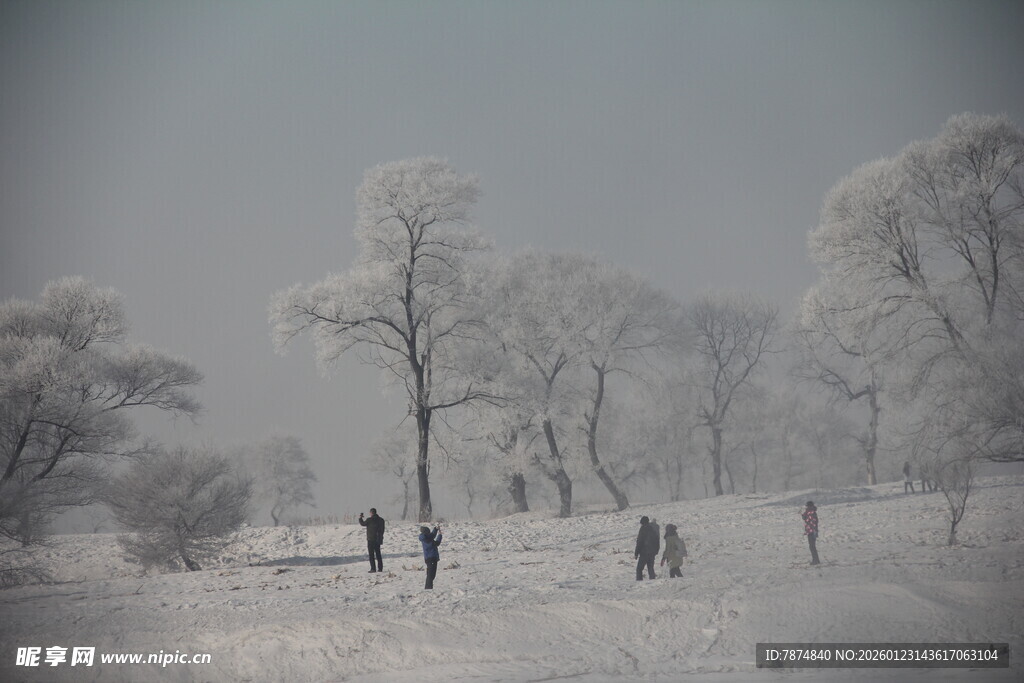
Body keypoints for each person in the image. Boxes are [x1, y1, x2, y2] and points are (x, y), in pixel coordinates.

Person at [358, 508, 386, 573]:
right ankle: (380, 568)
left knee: (371, 555)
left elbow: (362, 523)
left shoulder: (369, 520)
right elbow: (382, 529)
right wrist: (381, 536)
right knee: (378, 554)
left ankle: (373, 569)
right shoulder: (381, 520)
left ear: (371, 513)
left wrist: (360, 518)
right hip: (378, 539)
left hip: (371, 539)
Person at [634, 515, 660, 581]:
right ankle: (653, 581)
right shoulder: (652, 529)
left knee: (639, 569)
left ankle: (639, 582)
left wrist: (636, 553)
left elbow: (640, 541)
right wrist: (656, 551)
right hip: (652, 552)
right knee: (650, 568)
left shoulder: (643, 529)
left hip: (644, 552)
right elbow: (657, 540)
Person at [419, 524, 443, 590]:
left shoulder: (426, 538)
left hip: (429, 558)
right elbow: (437, 543)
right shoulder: (428, 540)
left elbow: (432, 535)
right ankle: (428, 588)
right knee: (431, 575)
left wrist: (435, 529)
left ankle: (428, 588)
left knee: (431, 575)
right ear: (426, 533)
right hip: (431, 558)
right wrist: (440, 535)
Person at [802, 501, 820, 566]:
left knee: (812, 546)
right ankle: (815, 559)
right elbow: (804, 518)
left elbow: (812, 522)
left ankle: (816, 560)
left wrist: (814, 531)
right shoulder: (808, 512)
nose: (807, 507)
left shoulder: (812, 513)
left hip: (812, 532)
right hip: (809, 531)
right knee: (811, 546)